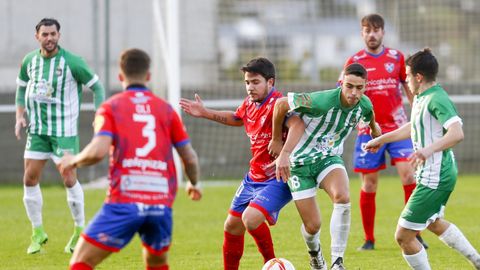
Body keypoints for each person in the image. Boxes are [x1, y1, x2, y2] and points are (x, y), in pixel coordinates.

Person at [59, 48, 202, 270]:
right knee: (156, 262)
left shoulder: (111, 107)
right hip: (160, 204)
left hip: (124, 202)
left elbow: (98, 151)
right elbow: (190, 158)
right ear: (148, 76)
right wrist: (193, 183)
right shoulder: (166, 110)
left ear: (120, 76)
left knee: (80, 262)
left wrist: (73, 161)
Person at [180, 57, 302, 270]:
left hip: (278, 178)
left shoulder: (278, 104)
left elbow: (297, 125)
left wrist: (284, 153)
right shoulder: (250, 104)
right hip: (253, 177)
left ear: (270, 82)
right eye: (247, 82)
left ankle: (272, 265)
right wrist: (205, 112)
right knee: (232, 226)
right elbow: (238, 118)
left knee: (251, 219)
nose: (250, 87)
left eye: (255, 82)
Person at [365, 48, 480, 270]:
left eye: (407, 76)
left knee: (403, 236)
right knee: (434, 223)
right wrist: (382, 139)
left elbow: (457, 133)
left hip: (436, 174)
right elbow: (413, 127)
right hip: (434, 172)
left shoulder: (437, 98)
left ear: (419, 77)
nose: (405, 81)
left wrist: (427, 151)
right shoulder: (421, 98)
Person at [269, 63, 381, 270]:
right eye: (349, 86)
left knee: (343, 196)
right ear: (341, 83)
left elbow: (369, 115)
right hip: (300, 162)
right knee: (312, 226)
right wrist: (278, 142)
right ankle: (315, 256)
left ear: (365, 87)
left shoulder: (364, 104)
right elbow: (281, 104)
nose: (354, 92)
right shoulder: (321, 101)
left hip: (328, 158)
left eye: (359, 87)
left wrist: (375, 131)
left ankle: (337, 262)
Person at [14, 17, 105, 254]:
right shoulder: (29, 61)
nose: (49, 38)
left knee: (68, 179)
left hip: (63, 132)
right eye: (45, 34)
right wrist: (19, 116)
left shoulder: (72, 62)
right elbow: (22, 86)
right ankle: (37, 233)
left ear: (59, 36)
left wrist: (100, 114)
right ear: (37, 37)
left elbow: (97, 86)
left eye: (53, 34)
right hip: (38, 131)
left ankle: (79, 232)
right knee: (29, 179)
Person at [342, 13, 427, 250]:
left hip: (399, 127)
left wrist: (417, 113)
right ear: (362, 34)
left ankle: (415, 233)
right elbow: (345, 94)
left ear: (383, 32)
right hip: (368, 130)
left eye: (376, 29)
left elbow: (410, 88)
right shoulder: (354, 62)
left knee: (409, 176)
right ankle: (369, 239)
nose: (372, 34)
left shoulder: (397, 58)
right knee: (369, 185)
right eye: (367, 30)